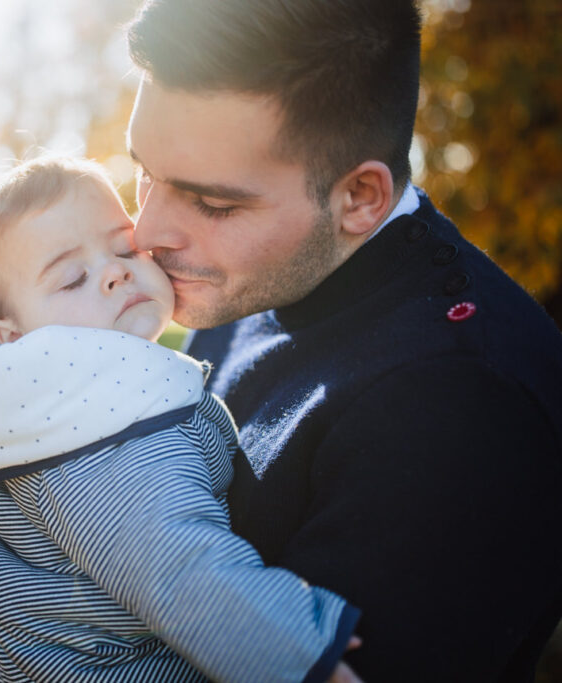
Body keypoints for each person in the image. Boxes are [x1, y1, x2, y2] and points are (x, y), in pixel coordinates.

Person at [123, 0, 562, 680]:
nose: (146, 232)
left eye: (211, 203)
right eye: (143, 173)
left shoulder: (458, 407)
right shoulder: (262, 278)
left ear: (361, 196)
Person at [0, 157, 361, 682]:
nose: (114, 271)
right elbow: (179, 570)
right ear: (13, 338)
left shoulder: (35, 415)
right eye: (72, 278)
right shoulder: (94, 435)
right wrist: (300, 651)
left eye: (125, 247)